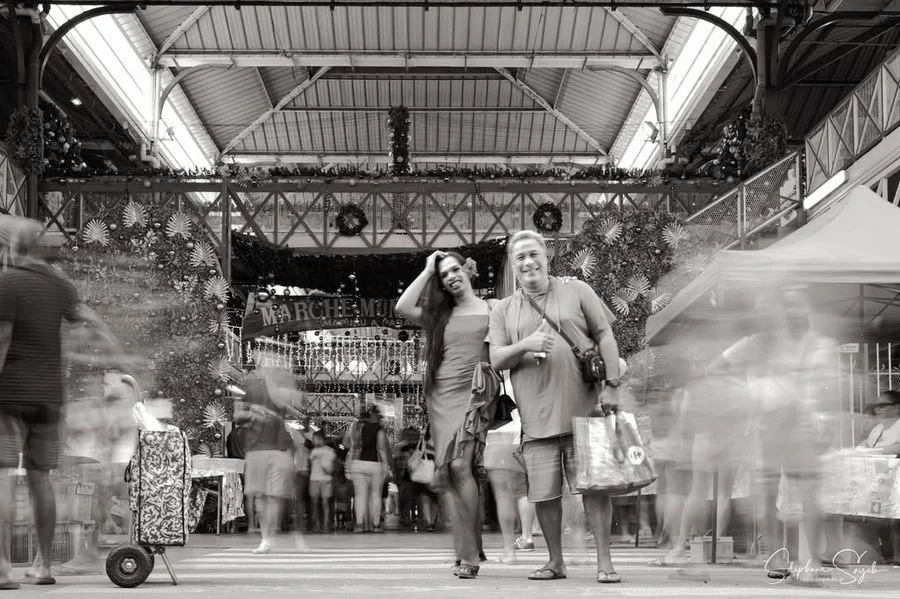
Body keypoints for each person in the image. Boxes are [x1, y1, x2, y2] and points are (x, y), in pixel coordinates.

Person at [489, 230, 623, 584]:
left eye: (533, 254)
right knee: (545, 496)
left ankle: (605, 563)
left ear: (546, 256)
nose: (528, 262)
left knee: (595, 489)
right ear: (513, 266)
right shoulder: (503, 309)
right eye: (520, 257)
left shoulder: (577, 290)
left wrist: (612, 385)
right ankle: (554, 562)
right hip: (536, 420)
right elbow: (496, 357)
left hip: (586, 412)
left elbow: (604, 333)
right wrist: (526, 345)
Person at [0, 216, 118, 589]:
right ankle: (43, 565)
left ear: (14, 247)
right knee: (41, 480)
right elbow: (92, 321)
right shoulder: (60, 286)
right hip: (49, 399)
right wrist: (115, 354)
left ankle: (2, 568)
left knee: (3, 476)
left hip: (9, 395)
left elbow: (2, 338)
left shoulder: (7, 283)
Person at [716, 288, 835, 585]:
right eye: (787, 305)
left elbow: (827, 387)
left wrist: (824, 416)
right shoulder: (760, 343)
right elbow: (716, 368)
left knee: (808, 491)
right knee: (769, 493)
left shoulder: (819, 344)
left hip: (803, 424)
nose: (792, 311)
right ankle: (778, 557)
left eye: (798, 304)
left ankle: (811, 560)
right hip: (768, 423)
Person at [396, 250, 501, 579]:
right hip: (440, 397)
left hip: (474, 393)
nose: (451, 276)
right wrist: (428, 270)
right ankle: (473, 545)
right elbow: (401, 307)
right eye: (444, 274)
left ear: (468, 271)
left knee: (459, 466)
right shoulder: (439, 314)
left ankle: (469, 555)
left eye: (455, 269)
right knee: (456, 472)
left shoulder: (493, 307)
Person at [233, 366, 300, 554]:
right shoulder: (247, 386)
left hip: (279, 448)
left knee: (274, 496)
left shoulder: (282, 382)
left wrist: (269, 379)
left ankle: (269, 536)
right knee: (261, 497)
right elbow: (237, 414)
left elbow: (282, 402)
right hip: (255, 449)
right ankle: (265, 539)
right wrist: (254, 411)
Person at [342, 406, 392, 533]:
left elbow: (345, 444)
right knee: (375, 495)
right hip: (375, 464)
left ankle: (359, 525)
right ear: (375, 416)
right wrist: (386, 466)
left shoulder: (355, 427)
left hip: (357, 463)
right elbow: (381, 449)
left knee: (359, 496)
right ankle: (375, 525)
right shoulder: (379, 430)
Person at [859, 390, 900, 455]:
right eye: (876, 406)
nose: (877, 409)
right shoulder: (878, 428)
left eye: (882, 406)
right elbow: (867, 445)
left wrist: (873, 451)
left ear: (896, 407)